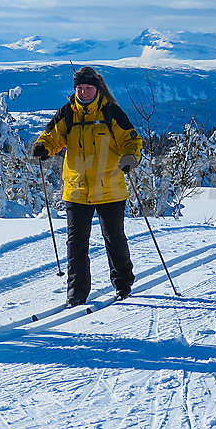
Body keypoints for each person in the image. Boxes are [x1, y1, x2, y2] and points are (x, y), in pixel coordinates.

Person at [32, 66, 143, 307]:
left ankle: (123, 284)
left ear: (97, 88)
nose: (83, 92)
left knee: (114, 239)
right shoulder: (67, 113)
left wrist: (130, 158)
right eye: (79, 88)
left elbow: (131, 140)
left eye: (88, 87)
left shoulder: (111, 111)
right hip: (77, 189)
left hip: (110, 187)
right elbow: (52, 136)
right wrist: (43, 147)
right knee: (76, 243)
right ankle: (76, 293)